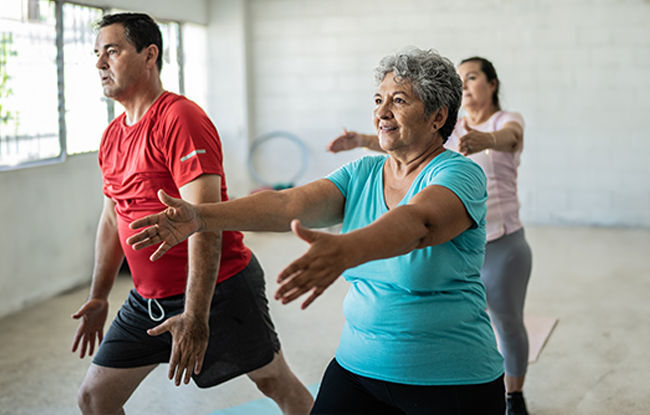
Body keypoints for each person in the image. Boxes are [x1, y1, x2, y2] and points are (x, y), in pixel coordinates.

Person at [126, 47, 506, 414]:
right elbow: (288, 204)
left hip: (452, 380)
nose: (382, 113)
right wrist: (201, 216)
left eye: (399, 101)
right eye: (378, 100)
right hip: (359, 369)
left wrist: (347, 249)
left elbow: (419, 223)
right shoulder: (363, 173)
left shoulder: (458, 173)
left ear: (438, 117)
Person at [70, 13, 312, 415]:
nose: (99, 63)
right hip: (147, 300)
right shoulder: (112, 135)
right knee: (95, 397)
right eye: (97, 53)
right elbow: (113, 218)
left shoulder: (180, 119)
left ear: (150, 55)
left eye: (111, 51)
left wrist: (196, 314)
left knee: (274, 380)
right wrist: (98, 296)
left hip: (221, 291)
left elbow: (204, 220)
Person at [328, 56, 533, 415]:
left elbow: (511, 138)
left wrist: (485, 138)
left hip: (502, 242)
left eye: (473, 77)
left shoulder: (506, 120)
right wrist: (362, 138)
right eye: (461, 79)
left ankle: (514, 395)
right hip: (454, 242)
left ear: (493, 83)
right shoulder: (452, 127)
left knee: (507, 321)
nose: (466, 84)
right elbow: (409, 139)